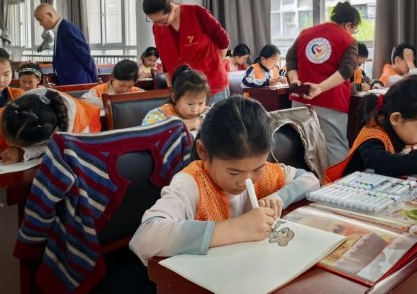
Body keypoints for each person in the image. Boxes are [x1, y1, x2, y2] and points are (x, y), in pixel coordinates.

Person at [130, 96, 320, 265]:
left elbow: (310, 180)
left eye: (257, 168)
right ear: (204, 151)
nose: (246, 180)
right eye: (234, 172)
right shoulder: (190, 183)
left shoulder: (262, 174)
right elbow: (145, 237)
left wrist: (278, 198)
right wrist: (235, 228)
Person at [325, 75, 417, 181]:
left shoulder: (409, 131)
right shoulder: (373, 136)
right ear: (396, 119)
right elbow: (383, 164)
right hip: (350, 198)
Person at [0, 88, 102, 171]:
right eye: (5, 137)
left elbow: (70, 155)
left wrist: (23, 152)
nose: (8, 144)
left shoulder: (76, 124)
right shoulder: (3, 117)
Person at [285, 1, 360, 165]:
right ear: (348, 24)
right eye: (354, 29)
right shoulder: (348, 40)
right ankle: (338, 181)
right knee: (334, 146)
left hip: (300, 98)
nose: (353, 33)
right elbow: (347, 70)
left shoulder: (305, 33)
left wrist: (295, 80)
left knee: (301, 146)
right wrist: (320, 88)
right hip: (330, 102)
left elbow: (290, 58)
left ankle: (305, 179)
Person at [142, 0, 230, 105]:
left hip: (212, 85)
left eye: (162, 20)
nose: (159, 24)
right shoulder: (157, 28)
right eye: (153, 21)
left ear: (171, 7)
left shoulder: (197, 13)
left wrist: (215, 65)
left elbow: (223, 41)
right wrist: (171, 88)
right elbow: (165, 61)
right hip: (184, 92)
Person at [34, 3, 97, 85]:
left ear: (50, 15)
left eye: (41, 20)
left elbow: (85, 56)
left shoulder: (68, 29)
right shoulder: (60, 30)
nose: (40, 24)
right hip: (69, 83)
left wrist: (93, 80)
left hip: (79, 83)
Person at [142, 65, 210, 134]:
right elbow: (145, 136)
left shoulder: (208, 115)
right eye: (190, 104)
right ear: (174, 97)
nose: (195, 110)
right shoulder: (157, 116)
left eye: (200, 103)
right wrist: (181, 126)